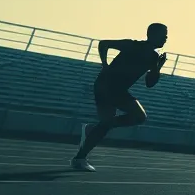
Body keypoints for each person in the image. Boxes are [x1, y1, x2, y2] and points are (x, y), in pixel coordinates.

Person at [70, 23, 169, 171]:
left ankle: (90, 137)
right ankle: (80, 157)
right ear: (153, 34)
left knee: (137, 117)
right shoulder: (133, 45)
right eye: (164, 35)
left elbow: (150, 83)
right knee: (111, 123)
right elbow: (104, 44)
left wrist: (157, 68)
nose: (166, 38)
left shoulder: (153, 57)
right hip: (105, 86)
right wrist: (105, 64)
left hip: (119, 90)